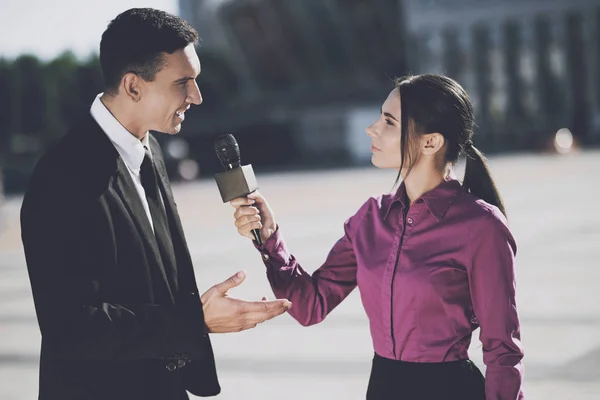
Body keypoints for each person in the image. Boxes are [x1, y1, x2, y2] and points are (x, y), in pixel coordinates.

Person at [20, 8, 291, 400]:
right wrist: (194, 322)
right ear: (133, 86)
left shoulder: (151, 148)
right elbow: (70, 327)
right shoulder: (60, 177)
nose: (196, 96)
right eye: (184, 82)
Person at [230, 74, 525, 399]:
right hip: (383, 388)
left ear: (431, 142)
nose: (372, 129)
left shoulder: (482, 227)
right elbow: (310, 305)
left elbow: (503, 351)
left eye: (388, 121)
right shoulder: (371, 218)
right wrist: (270, 238)